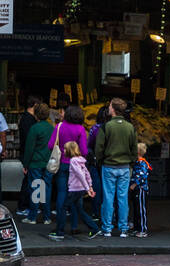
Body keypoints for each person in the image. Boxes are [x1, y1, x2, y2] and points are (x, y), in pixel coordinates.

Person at [96, 97, 138, 238]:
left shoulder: (106, 126)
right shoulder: (130, 127)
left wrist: (101, 160)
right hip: (125, 166)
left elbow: (99, 148)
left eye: (109, 106)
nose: (108, 108)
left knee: (108, 197)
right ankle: (123, 228)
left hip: (109, 165)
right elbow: (134, 148)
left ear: (113, 109)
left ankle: (107, 228)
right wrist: (131, 161)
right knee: (123, 198)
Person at [49, 104, 89, 239]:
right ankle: (74, 226)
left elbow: (50, 145)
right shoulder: (80, 129)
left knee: (62, 194)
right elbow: (84, 151)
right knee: (76, 196)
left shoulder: (59, 126)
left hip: (62, 165)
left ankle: (59, 229)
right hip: (76, 166)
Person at [23, 102, 54, 224]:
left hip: (35, 163)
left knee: (36, 189)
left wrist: (25, 164)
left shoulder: (34, 128)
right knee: (46, 188)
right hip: (48, 163)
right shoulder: (51, 128)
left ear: (36, 114)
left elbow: (29, 148)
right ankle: (47, 217)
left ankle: (33, 216)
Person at [63, 140, 101, 238]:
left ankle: (59, 231)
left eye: (65, 149)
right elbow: (87, 174)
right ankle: (94, 228)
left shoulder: (73, 161)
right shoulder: (81, 160)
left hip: (74, 190)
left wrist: (88, 188)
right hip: (80, 190)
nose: (63, 151)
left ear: (70, 151)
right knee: (80, 210)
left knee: (63, 208)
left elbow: (80, 175)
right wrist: (90, 186)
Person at [16, 95, 41, 216]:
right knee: (31, 182)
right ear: (35, 105)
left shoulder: (26, 118)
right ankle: (26, 206)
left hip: (29, 155)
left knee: (30, 181)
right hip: (31, 155)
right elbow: (29, 140)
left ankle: (30, 206)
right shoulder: (29, 120)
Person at [130, 142, 152, 236]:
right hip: (136, 189)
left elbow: (142, 176)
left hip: (141, 189)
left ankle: (143, 229)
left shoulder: (142, 163)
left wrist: (134, 184)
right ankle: (136, 227)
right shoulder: (137, 162)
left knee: (141, 209)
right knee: (135, 209)